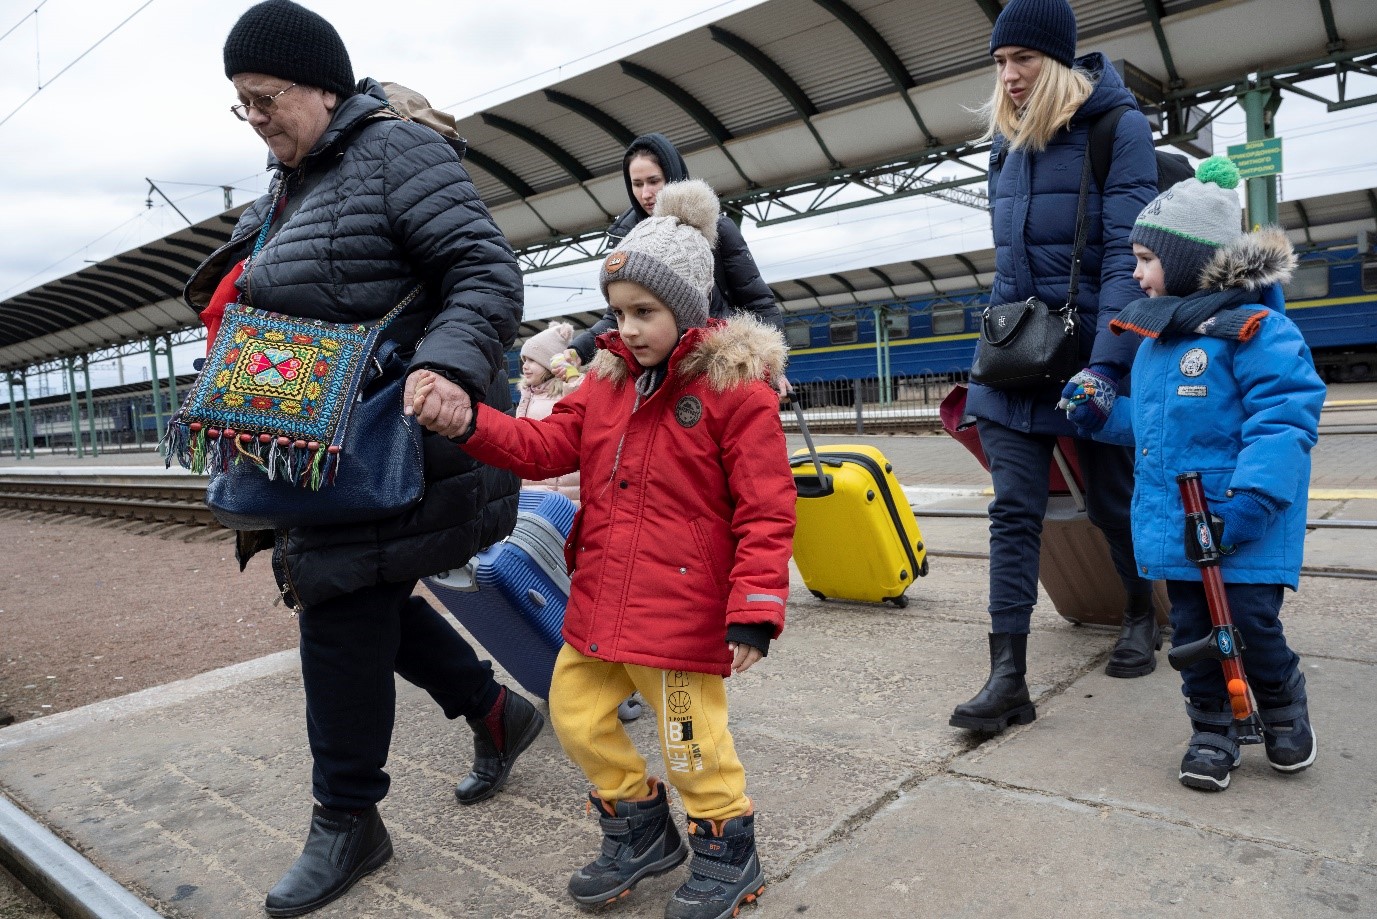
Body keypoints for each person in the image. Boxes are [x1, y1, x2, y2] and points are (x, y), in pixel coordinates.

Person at [187, 3, 541, 915]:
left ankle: (347, 818)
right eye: (240, 103)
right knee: (359, 594)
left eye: (265, 98)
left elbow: (484, 270)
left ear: (320, 86)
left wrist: (447, 365)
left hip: (392, 437)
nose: (254, 118)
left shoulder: (395, 152)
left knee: (340, 609)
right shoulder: (287, 182)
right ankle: (497, 712)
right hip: (316, 442)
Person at [410, 179, 795, 919]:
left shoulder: (736, 393)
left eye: (644, 312)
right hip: (602, 600)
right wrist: (469, 422)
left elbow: (767, 508)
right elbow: (539, 445)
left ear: (687, 306)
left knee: (692, 742)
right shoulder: (605, 384)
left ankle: (727, 850)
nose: (628, 328)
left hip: (681, 612)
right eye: (618, 313)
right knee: (575, 713)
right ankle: (639, 828)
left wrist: (754, 606)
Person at [1064, 156, 1323, 791]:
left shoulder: (1259, 332)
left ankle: (1283, 706)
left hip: (1243, 518)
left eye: (1146, 258)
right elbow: (1155, 427)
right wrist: (1103, 414)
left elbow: (1284, 418)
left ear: (1187, 261)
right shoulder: (1158, 343)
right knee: (1193, 632)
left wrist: (1254, 500)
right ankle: (1212, 728)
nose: (1136, 273)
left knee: (1252, 624)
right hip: (1184, 526)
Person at [950, 0, 1162, 734]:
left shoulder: (1116, 128)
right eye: (999, 61)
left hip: (1090, 354)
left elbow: (1125, 259)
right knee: (1013, 511)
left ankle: (1140, 611)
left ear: (1059, 61)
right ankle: (1006, 678)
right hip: (1015, 354)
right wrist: (992, 342)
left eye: (1023, 60)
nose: (1008, 75)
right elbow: (1009, 263)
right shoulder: (1003, 146)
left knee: (1110, 500)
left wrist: (1108, 366)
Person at [566, 133, 789, 395]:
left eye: (654, 181)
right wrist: (578, 350)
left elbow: (758, 302)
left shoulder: (718, 229)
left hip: (716, 369)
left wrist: (773, 368)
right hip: (658, 377)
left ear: (673, 177)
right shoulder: (628, 241)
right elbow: (616, 315)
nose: (645, 194)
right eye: (636, 184)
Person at [514, 321, 584, 506]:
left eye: (532, 360)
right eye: (524, 360)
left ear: (550, 363)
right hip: (531, 488)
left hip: (562, 492)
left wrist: (571, 376)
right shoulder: (528, 396)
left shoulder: (567, 391)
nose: (525, 366)